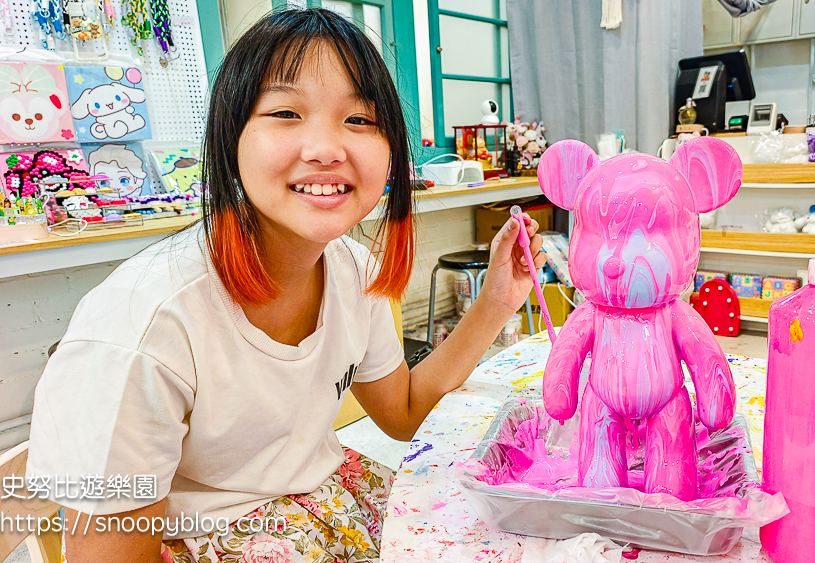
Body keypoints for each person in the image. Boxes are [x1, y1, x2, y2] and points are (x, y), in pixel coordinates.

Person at [25, 9, 544, 562]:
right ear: (231, 140)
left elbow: (404, 414)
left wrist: (495, 300)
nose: (327, 148)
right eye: (285, 112)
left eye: (361, 120)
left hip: (329, 503)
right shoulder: (142, 327)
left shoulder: (351, 268)